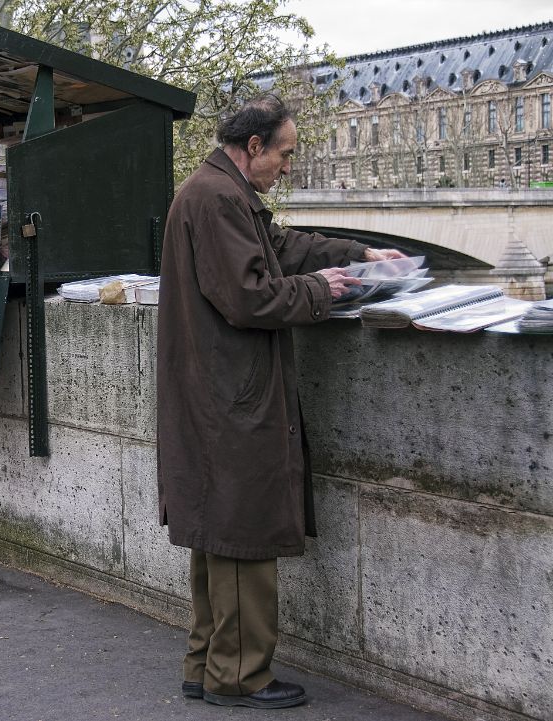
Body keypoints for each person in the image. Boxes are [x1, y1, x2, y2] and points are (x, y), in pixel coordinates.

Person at [155, 94, 403, 710]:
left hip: (214, 388)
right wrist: (320, 291)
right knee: (243, 533)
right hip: (230, 393)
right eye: (285, 153)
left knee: (218, 529)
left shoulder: (218, 190)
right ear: (255, 146)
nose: (288, 167)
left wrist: (357, 255)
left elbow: (279, 247)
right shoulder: (215, 198)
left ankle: (204, 663)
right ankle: (238, 675)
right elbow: (251, 297)